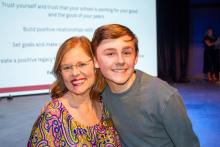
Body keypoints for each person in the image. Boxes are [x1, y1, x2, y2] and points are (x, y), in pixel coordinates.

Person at [91, 24, 200, 147]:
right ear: (95, 60)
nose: (120, 61)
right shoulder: (99, 92)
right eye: (110, 54)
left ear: (136, 57)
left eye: (127, 52)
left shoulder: (164, 97)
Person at [27, 36, 121, 146]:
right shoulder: (52, 117)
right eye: (67, 68)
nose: (75, 73)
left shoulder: (104, 106)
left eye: (82, 64)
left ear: (95, 63)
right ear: (60, 73)